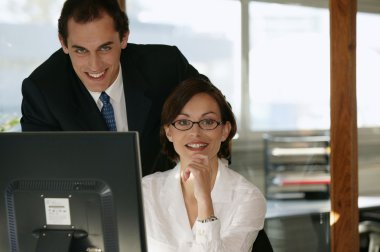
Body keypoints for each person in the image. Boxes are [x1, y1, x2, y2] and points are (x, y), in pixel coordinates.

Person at [20, 0, 200, 176]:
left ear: (124, 38)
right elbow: (41, 174)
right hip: (86, 203)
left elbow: (216, 116)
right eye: (81, 51)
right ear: (63, 43)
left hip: (170, 196)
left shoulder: (166, 66)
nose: (95, 65)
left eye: (104, 48)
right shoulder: (42, 91)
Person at [142, 77, 267, 251]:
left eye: (207, 122)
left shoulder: (247, 198)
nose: (195, 132)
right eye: (183, 122)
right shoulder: (146, 191)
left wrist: (205, 201)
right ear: (169, 132)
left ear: (225, 131)